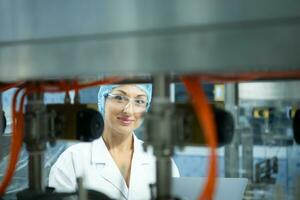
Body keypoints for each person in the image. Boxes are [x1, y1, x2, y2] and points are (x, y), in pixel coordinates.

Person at [48, 84, 180, 199]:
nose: (128, 110)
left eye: (139, 101)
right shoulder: (72, 160)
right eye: (119, 98)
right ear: (103, 100)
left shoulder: (161, 160)